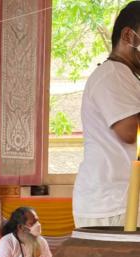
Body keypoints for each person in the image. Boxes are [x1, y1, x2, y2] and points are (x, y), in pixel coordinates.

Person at [73, 1, 140, 228]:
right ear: (129, 36)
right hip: (111, 203)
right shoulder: (112, 74)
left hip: (121, 200)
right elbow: (129, 131)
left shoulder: (127, 76)